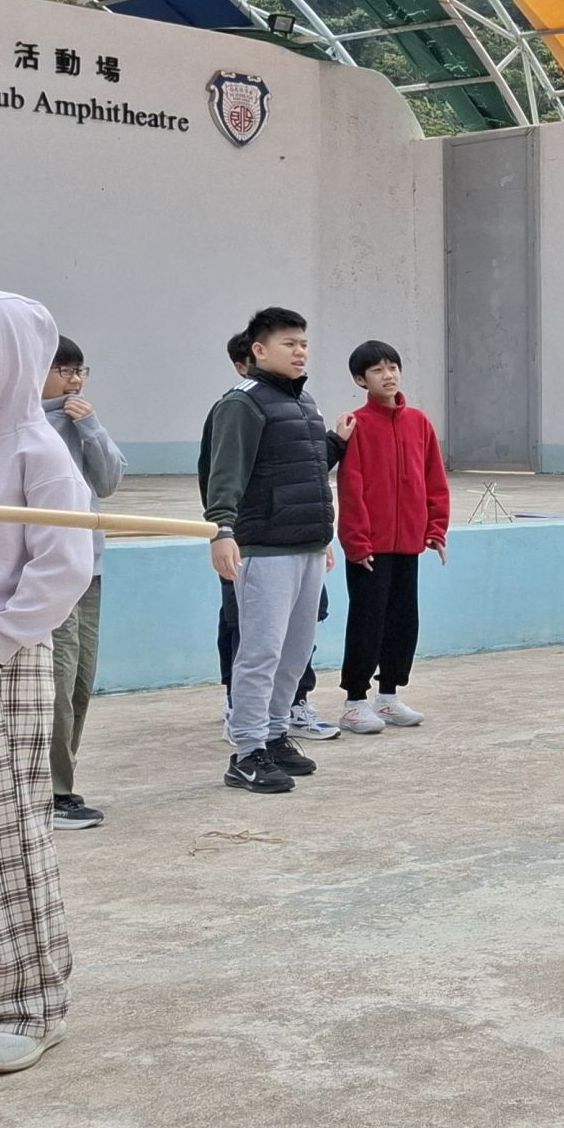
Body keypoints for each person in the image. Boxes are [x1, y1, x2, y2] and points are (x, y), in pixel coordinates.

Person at [0, 289, 94, 1074]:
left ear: (8, 361)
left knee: (7, 833)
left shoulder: (36, 451)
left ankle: (30, 1003)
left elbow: (64, 563)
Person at [202, 308, 349, 794]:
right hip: (262, 548)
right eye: (289, 343)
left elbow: (310, 473)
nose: (300, 351)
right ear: (259, 350)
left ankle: (274, 733)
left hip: (307, 544)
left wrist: (323, 537)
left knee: (294, 651)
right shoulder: (242, 403)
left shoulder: (304, 401)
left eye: (303, 343)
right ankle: (247, 752)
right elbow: (224, 472)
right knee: (260, 652)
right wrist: (222, 530)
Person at [333, 340, 448, 736]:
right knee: (367, 621)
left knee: (402, 621)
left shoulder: (419, 422)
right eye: (378, 370)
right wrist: (356, 542)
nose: (388, 375)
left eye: (393, 367)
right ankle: (354, 702)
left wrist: (435, 528)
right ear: (360, 380)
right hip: (370, 547)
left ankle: (388, 695)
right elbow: (351, 489)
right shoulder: (357, 425)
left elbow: (434, 479)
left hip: (408, 544)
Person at [40, 335, 124, 831]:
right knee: (55, 681)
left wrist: (90, 425)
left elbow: (109, 481)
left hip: (89, 567)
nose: (74, 381)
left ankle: (60, 784)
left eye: (79, 371)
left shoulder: (81, 422)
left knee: (80, 683)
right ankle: (53, 792)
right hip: (49, 570)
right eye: (63, 370)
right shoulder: (25, 423)